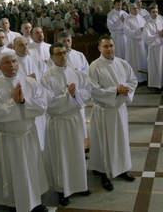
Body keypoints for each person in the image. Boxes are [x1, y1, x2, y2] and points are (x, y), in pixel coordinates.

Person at [0, 52, 49, 212]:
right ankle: (14, 204)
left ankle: (34, 201)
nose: (12, 65)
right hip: (8, 139)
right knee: (13, 173)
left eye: (14, 61)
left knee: (31, 169)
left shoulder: (29, 82)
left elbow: (42, 106)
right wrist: (13, 102)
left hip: (28, 135)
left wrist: (23, 101)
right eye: (7, 62)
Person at [40, 42, 93, 207]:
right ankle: (62, 189)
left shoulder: (75, 73)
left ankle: (79, 185)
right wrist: (67, 94)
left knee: (76, 153)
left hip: (74, 119)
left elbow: (88, 91)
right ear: (51, 57)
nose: (63, 56)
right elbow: (47, 103)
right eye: (58, 54)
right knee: (61, 156)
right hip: (59, 121)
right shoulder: (46, 77)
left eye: (64, 53)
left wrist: (76, 93)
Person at [88, 35, 138, 191]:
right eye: (106, 46)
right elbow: (93, 90)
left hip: (119, 110)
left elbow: (133, 80)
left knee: (120, 141)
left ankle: (122, 168)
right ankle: (104, 173)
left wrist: (126, 89)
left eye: (111, 45)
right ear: (99, 48)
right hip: (104, 111)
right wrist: (115, 91)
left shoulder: (122, 63)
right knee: (104, 144)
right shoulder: (94, 66)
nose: (109, 49)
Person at [13, 36, 48, 150]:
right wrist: (25, 80)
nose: (25, 47)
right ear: (14, 47)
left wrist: (36, 81)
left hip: (36, 102)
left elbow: (46, 80)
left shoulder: (37, 62)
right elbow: (8, 83)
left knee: (40, 136)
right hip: (22, 104)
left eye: (26, 44)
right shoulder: (11, 63)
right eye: (21, 45)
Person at [142, 5, 163, 93]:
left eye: (156, 12)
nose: (155, 14)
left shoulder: (160, 22)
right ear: (150, 13)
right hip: (154, 48)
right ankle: (155, 86)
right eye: (153, 12)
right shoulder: (147, 24)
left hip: (161, 47)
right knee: (155, 67)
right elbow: (146, 38)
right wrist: (157, 35)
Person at [124, 4, 147, 83]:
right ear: (130, 10)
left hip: (141, 42)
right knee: (134, 61)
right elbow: (127, 32)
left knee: (142, 59)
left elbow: (145, 27)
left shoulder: (140, 17)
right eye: (134, 8)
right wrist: (139, 30)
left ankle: (143, 77)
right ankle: (135, 78)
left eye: (136, 8)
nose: (136, 9)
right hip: (133, 43)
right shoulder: (127, 19)